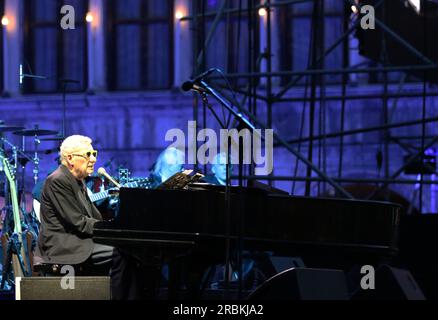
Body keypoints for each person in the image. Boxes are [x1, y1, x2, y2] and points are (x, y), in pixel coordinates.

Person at [35, 135, 141, 299]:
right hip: (64, 244)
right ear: (70, 158)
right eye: (88, 155)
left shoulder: (77, 181)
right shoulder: (58, 180)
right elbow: (78, 222)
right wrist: (110, 230)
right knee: (119, 253)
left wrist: (115, 227)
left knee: (131, 251)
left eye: (94, 154)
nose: (93, 159)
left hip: (78, 238)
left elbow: (93, 216)